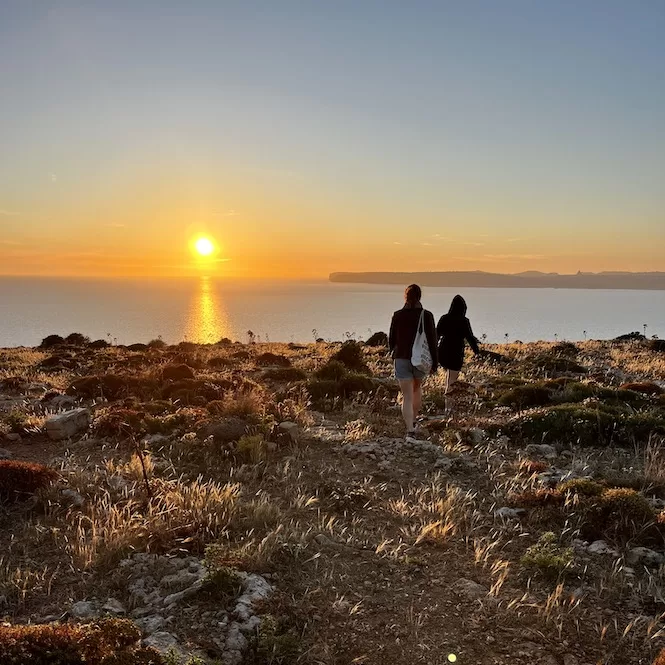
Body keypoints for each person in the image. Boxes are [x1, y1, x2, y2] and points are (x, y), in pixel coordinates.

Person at [389, 284, 438, 437]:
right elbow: (432, 340)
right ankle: (414, 420)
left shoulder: (398, 315)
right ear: (419, 297)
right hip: (420, 360)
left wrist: (394, 353)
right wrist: (435, 363)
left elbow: (391, 339)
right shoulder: (426, 315)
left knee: (407, 396)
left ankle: (410, 429)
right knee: (417, 390)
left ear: (405, 296)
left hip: (402, 358)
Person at [436, 295, 480, 401]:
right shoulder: (464, 321)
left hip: (443, 350)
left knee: (448, 377)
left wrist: (433, 350)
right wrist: (476, 351)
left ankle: (447, 401)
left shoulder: (444, 318)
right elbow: (470, 337)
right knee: (452, 379)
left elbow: (436, 334)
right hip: (456, 352)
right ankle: (449, 403)